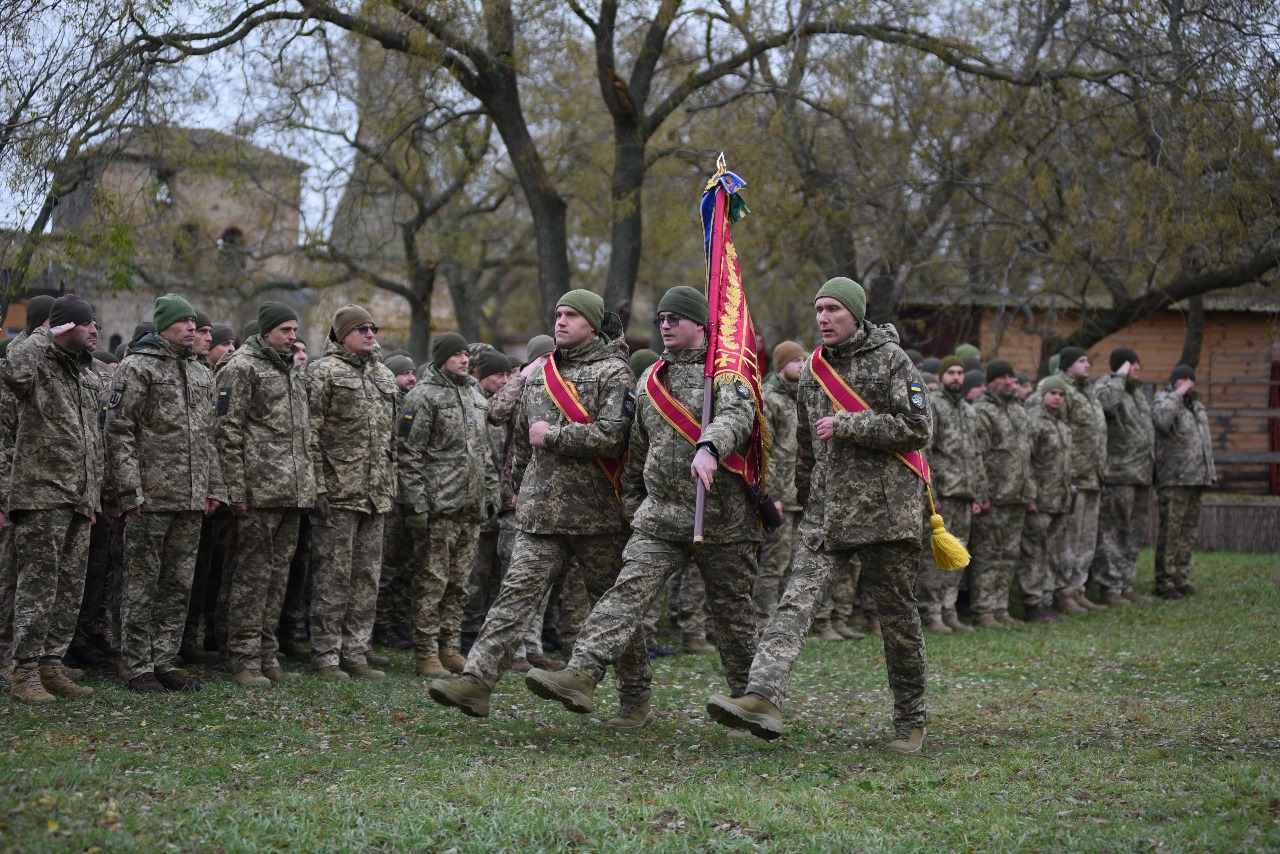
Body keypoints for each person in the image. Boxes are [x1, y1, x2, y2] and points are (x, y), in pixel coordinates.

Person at [704, 277, 931, 753]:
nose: (824, 319)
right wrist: (806, 496)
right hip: (826, 516)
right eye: (818, 310)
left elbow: (917, 427)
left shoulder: (892, 359)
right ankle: (762, 697)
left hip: (887, 516)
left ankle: (910, 719)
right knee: (794, 606)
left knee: (897, 621)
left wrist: (849, 424)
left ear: (856, 314)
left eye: (833, 310)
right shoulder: (810, 369)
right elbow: (807, 445)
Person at [521, 285, 761, 728]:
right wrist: (633, 502)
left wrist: (709, 445)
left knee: (733, 617)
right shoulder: (651, 380)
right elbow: (635, 450)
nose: (665, 327)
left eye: (675, 319)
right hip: (661, 514)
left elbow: (737, 418)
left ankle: (753, 701)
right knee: (624, 595)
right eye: (661, 320)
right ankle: (582, 672)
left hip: (722, 515)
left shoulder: (725, 373)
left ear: (699, 324)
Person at [428, 292, 649, 725]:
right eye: (557, 314)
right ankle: (477, 681)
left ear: (591, 323)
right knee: (514, 599)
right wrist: (525, 486)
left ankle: (635, 696)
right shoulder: (540, 374)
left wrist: (555, 437)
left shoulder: (613, 371)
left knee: (609, 609)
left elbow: (614, 436)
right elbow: (521, 439)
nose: (561, 322)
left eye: (571, 316)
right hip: (541, 514)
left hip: (597, 515)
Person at [106, 294, 223, 692]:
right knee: (141, 583)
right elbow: (119, 431)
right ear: (164, 325)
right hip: (150, 499)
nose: (192, 328)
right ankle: (137, 664)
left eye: (195, 321)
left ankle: (164, 659)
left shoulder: (200, 372)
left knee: (177, 585)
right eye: (184, 322)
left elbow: (210, 437)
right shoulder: (138, 367)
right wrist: (129, 491)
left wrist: (213, 487)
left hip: (190, 498)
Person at [2, 295, 104, 703]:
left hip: (80, 495)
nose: (95, 329)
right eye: (86, 323)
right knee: (37, 588)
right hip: (41, 492)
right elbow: (11, 373)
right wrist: (44, 334)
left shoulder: (85, 374)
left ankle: (50, 665)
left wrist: (93, 493)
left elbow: (91, 440)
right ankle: (24, 671)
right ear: (63, 328)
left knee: (68, 590)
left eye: (96, 323)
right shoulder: (35, 361)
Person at [214, 301, 316, 688]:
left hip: (290, 491)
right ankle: (241, 656)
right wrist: (235, 490)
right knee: (251, 577)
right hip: (257, 491)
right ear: (266, 331)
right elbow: (227, 431)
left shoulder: (291, 368)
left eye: (295, 330)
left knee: (277, 577)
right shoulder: (242, 367)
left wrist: (307, 485)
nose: (293, 337)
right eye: (286, 330)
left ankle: (265, 650)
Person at [305, 305, 398, 680]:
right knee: (333, 577)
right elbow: (309, 433)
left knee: (366, 577)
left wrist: (390, 486)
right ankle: (326, 656)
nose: (370, 334)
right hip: (339, 493)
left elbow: (390, 440)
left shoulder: (383, 374)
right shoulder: (324, 372)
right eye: (362, 329)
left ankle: (355, 651)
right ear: (342, 334)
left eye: (373, 328)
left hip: (375, 493)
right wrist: (318, 486)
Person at [398, 332, 498, 678]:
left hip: (470, 506)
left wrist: (490, 494)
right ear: (441, 358)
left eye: (466, 353)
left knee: (459, 584)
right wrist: (416, 504)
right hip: (438, 506)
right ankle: (426, 651)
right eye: (456, 354)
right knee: (432, 582)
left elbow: (484, 453)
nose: (464, 359)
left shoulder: (475, 394)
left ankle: (449, 647)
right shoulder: (422, 396)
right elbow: (408, 455)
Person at [916, 355, 986, 634]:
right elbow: (924, 452)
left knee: (957, 556)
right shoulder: (935, 406)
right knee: (934, 559)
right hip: (942, 495)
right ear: (943, 376)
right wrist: (929, 494)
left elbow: (976, 455)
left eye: (960, 372)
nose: (956, 377)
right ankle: (931, 612)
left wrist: (980, 493)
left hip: (965, 495)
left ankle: (949, 609)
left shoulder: (969, 411)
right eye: (951, 373)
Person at [968, 360, 1034, 628]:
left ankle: (1001, 608)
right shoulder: (982, 412)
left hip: (1017, 497)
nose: (1009, 381)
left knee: (1009, 556)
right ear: (991, 381)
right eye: (1002, 377)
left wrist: (1029, 492)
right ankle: (984, 610)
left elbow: (1025, 455)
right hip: (994, 497)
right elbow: (977, 456)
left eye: (1011, 376)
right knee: (988, 556)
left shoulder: (1018, 411)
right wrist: (981, 495)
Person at [1091, 347, 1155, 605]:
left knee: (1134, 532)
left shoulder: (1137, 394)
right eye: (1132, 364)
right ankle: (1110, 587)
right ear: (1121, 366)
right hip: (1118, 473)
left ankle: (1126, 583)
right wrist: (1118, 377)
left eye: (1138, 364)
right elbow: (1106, 405)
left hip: (1141, 473)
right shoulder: (1108, 386)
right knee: (1114, 532)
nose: (1137, 368)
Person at [1048, 347, 1108, 615]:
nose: (1088, 365)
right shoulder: (1062, 390)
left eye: (1088, 361)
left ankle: (1078, 587)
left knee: (1086, 537)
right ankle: (1063, 591)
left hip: (1093, 475)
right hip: (1072, 475)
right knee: (1070, 537)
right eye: (1082, 361)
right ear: (1068, 365)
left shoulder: (1088, 391)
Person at [1152, 365, 1214, 598]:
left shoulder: (1197, 406)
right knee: (1171, 531)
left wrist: (1209, 472)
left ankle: (1180, 577)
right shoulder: (1164, 399)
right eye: (1183, 379)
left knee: (1188, 532)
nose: (1188, 383)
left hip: (1196, 478)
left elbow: (1203, 442)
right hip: (1174, 478)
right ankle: (1164, 582)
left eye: (1191, 379)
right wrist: (1177, 395)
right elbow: (1160, 421)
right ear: (1174, 381)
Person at [1018, 376, 1072, 622]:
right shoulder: (1035, 422)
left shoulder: (1062, 424)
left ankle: (1047, 600)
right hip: (1040, 500)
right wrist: (1030, 495)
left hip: (1059, 500)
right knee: (1034, 552)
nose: (1058, 398)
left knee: (1052, 553)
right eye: (1054, 393)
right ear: (1043, 395)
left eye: (1061, 394)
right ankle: (1032, 602)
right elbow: (1025, 461)